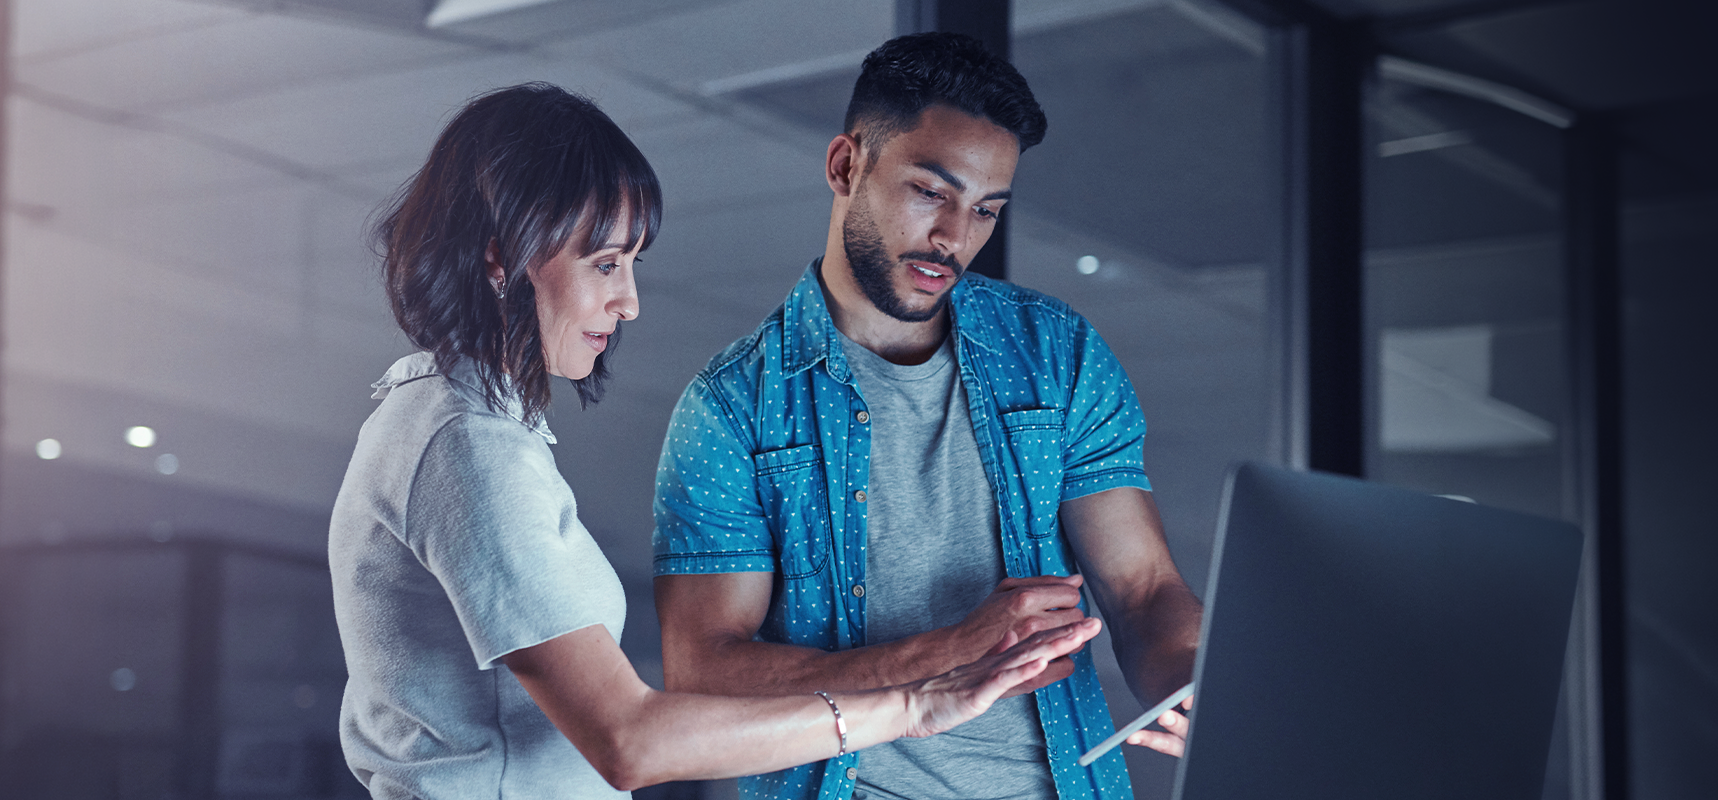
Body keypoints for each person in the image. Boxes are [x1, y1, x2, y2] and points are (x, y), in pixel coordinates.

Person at [328, 82, 1103, 799]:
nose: (628, 302)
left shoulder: (462, 424)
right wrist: (913, 706)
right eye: (605, 263)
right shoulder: (467, 446)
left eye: (632, 264)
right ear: (501, 256)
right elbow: (629, 740)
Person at [651, 33, 1205, 800]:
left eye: (985, 210)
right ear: (846, 166)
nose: (955, 237)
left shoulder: (1057, 353)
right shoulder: (732, 406)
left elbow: (1143, 591)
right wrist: (945, 653)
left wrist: (1196, 686)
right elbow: (703, 669)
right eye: (930, 193)